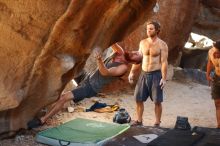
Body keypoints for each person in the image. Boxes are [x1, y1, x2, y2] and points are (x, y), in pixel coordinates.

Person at [27, 43, 140, 129]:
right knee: (72, 67)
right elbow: (112, 41)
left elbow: (105, 72)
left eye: (136, 56)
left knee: (64, 98)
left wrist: (99, 60)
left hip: (91, 88)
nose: (134, 53)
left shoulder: (123, 67)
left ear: (134, 62)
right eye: (136, 52)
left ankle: (43, 120)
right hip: (88, 78)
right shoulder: (120, 52)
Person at [128, 20, 168, 127]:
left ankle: (157, 122)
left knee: (157, 101)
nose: (148, 31)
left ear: (157, 30)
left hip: (156, 75)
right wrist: (131, 72)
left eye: (151, 29)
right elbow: (138, 59)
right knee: (138, 98)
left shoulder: (162, 45)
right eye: (147, 29)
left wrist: (164, 78)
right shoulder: (142, 43)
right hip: (143, 74)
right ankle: (139, 120)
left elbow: (164, 62)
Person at [206, 40, 220, 129]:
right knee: (217, 103)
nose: (215, 51)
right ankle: (219, 125)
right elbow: (210, 62)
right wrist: (207, 75)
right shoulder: (211, 51)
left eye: (218, 51)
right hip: (216, 77)